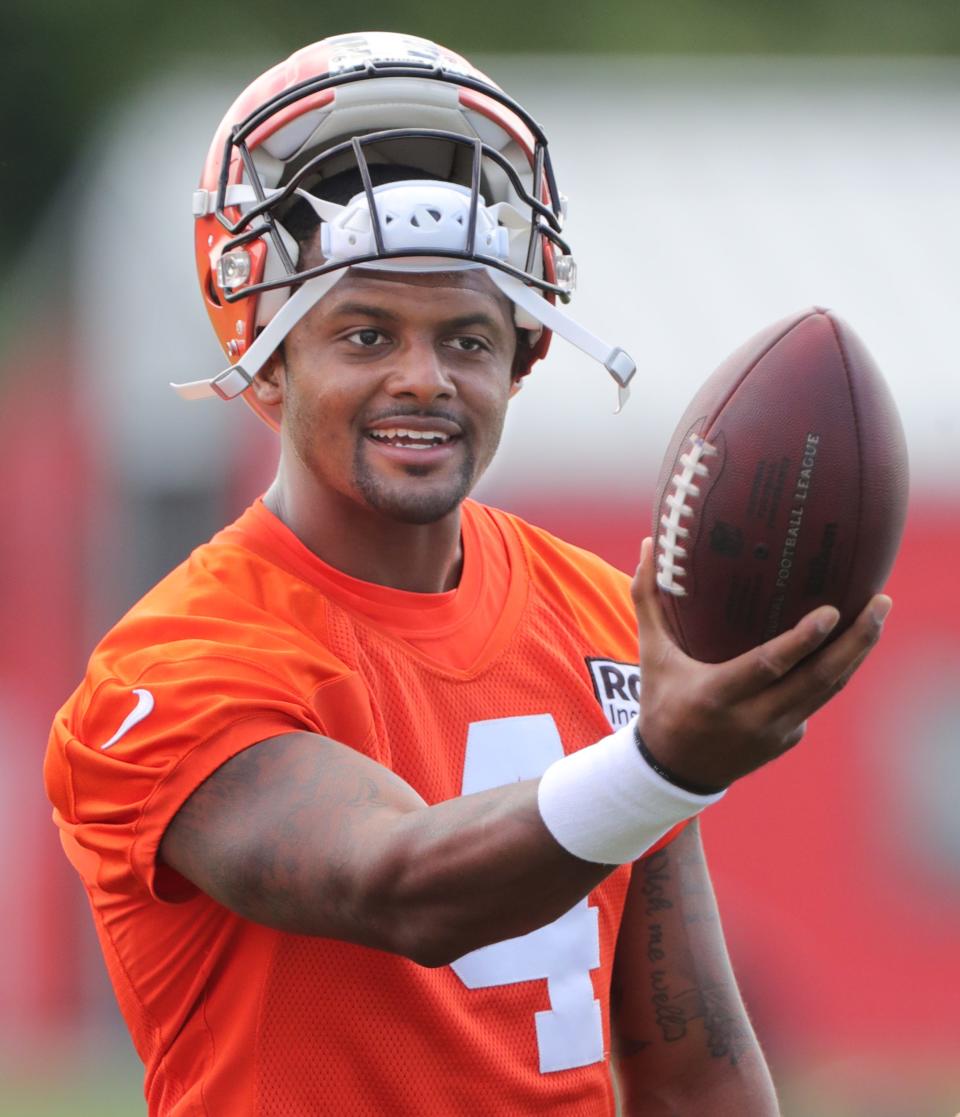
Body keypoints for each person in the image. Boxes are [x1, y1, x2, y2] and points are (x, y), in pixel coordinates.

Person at [44, 32, 890, 1116]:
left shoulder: (594, 610)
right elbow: (398, 884)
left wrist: (661, 763)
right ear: (267, 358)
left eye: (468, 340)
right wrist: (663, 762)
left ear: (525, 357)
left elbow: (691, 1067)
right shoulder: (173, 666)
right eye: (363, 334)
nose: (423, 379)